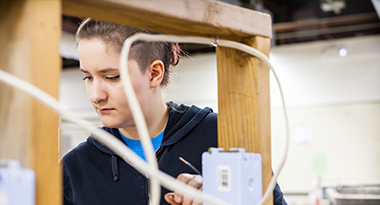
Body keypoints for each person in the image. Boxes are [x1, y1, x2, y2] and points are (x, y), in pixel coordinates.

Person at [63, 19, 287, 205]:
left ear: (154, 73)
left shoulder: (222, 138)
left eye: (111, 77)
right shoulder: (76, 167)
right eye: (88, 77)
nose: (95, 95)